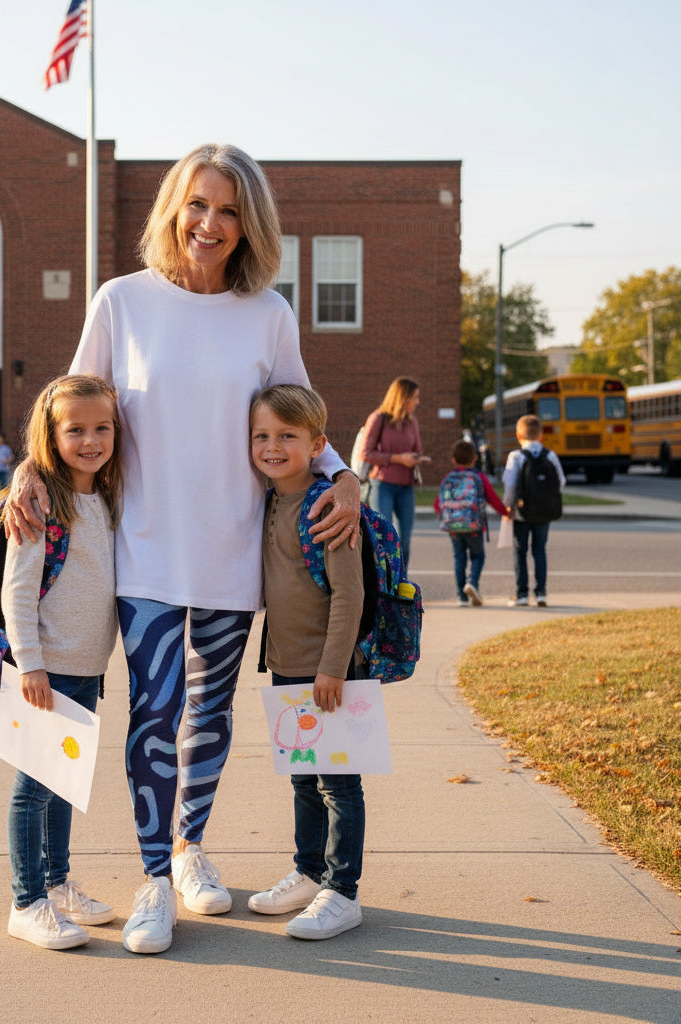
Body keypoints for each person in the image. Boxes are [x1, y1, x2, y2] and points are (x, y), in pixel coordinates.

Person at [5, 142, 360, 955]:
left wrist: (344, 477)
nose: (210, 223)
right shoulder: (121, 301)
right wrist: (27, 469)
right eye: (198, 204)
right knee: (154, 713)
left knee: (210, 713)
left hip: (235, 553)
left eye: (229, 210)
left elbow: (303, 421)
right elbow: (68, 410)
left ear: (249, 225)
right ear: (173, 208)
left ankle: (192, 845)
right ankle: (154, 879)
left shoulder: (268, 314)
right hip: (145, 553)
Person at [1, 374, 123, 950]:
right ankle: (27, 902)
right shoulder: (41, 501)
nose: (91, 440)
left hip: (86, 666)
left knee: (64, 783)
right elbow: (18, 590)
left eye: (102, 428)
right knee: (34, 788)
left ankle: (56, 883)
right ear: (50, 437)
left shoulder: (107, 495)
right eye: (76, 430)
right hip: (47, 670)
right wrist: (30, 664)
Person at [248, 384, 368, 940]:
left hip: (328, 672)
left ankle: (343, 892)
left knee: (338, 785)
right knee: (302, 778)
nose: (272, 447)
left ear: (318, 445)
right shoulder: (268, 499)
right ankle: (309, 871)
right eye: (262, 436)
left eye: (287, 436)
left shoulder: (329, 506)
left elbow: (349, 595)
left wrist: (333, 668)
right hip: (286, 665)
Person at [359, 377, 428, 574]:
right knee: (384, 538)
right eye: (415, 397)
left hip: (406, 487)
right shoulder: (378, 418)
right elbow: (366, 454)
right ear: (402, 397)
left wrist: (418, 458)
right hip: (383, 485)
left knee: (404, 540)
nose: (418, 402)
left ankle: (400, 582)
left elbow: (417, 450)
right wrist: (398, 458)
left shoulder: (412, 422)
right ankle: (382, 582)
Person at [433, 438, 509, 607]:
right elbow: (492, 498)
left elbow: (437, 505)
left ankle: (461, 597)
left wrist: (450, 518)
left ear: (453, 459)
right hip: (474, 526)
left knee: (459, 558)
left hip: (453, 527)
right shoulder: (479, 477)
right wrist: (505, 512)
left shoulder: (448, 478)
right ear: (474, 458)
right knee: (478, 556)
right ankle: (472, 583)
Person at [502, 414, 566, 607]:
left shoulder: (516, 456)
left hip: (522, 513)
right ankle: (541, 593)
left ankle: (522, 594)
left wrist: (508, 506)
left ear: (518, 435)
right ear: (541, 435)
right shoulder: (550, 455)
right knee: (540, 549)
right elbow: (561, 481)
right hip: (544, 512)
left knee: (520, 551)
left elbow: (510, 485)